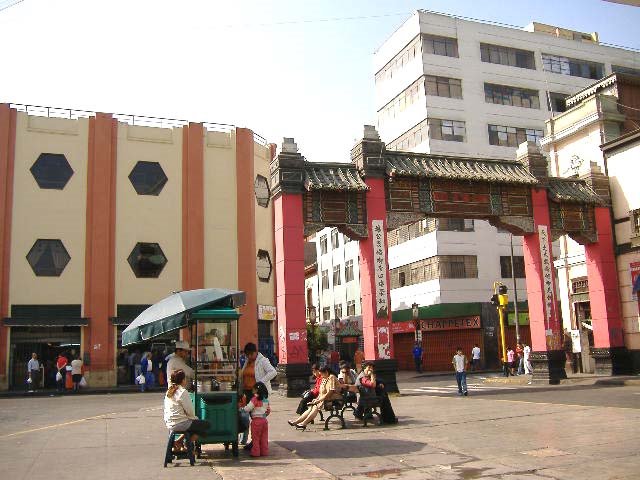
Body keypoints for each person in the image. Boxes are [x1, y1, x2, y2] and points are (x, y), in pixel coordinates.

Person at [238, 342, 277, 448]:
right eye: (247, 355)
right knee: (246, 415)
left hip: (257, 394)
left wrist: (260, 382)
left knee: (256, 417)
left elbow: (273, 372)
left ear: (255, 352)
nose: (249, 357)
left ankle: (256, 441)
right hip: (247, 392)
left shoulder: (263, 360)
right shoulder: (247, 361)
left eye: (251, 354)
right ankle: (246, 439)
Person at [164, 369, 210, 452]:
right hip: (180, 423)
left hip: (169, 423)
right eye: (185, 379)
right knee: (206, 425)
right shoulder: (183, 392)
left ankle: (178, 442)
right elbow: (190, 412)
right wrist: (195, 419)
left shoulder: (169, 391)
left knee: (196, 427)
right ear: (182, 380)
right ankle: (186, 443)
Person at [287, 366, 342, 430]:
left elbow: (330, 392)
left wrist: (319, 401)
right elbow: (321, 392)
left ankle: (304, 423)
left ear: (326, 372)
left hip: (334, 400)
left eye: (322, 374)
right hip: (325, 399)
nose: (321, 376)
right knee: (311, 408)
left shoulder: (331, 377)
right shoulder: (324, 378)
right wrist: (316, 399)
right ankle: (297, 422)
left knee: (315, 407)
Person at [241, 381, 270, 457]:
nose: (252, 390)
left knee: (255, 438)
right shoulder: (265, 400)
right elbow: (268, 410)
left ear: (256, 390)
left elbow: (248, 408)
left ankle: (255, 452)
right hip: (264, 421)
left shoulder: (254, 399)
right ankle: (264, 451)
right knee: (264, 437)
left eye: (253, 389)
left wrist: (242, 409)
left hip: (256, 421)